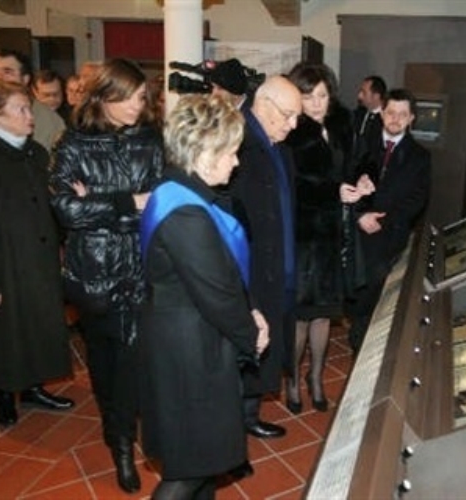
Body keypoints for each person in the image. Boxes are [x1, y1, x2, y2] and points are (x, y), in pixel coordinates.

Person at [139, 94, 269, 500]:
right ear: (204, 153)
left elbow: (222, 278)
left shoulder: (181, 192)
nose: (236, 162)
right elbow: (216, 293)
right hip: (190, 350)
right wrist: (251, 333)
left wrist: (249, 310)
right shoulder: (185, 213)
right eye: (230, 152)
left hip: (193, 335)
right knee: (190, 467)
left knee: (204, 461)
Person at [49, 58, 164, 494]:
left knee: (135, 361)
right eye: (129, 97)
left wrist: (96, 201)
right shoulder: (73, 142)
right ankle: (116, 432)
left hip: (142, 269)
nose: (139, 105)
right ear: (105, 97)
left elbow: (159, 202)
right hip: (94, 274)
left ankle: (123, 442)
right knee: (105, 363)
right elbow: (66, 210)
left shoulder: (150, 139)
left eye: (141, 97)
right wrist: (126, 202)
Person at [0, 80, 74, 428]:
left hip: (36, 260)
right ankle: (4, 395)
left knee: (35, 328)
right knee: (5, 334)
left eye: (28, 108)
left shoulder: (35, 153)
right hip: (2, 263)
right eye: (21, 109)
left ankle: (33, 387)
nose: (29, 116)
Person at [284, 63, 360, 413]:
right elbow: (295, 186)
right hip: (304, 235)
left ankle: (315, 377)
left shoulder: (341, 127)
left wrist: (362, 180)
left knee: (325, 315)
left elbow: (355, 165)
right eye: (308, 96)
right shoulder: (291, 133)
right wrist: (333, 191)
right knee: (302, 315)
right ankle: (292, 381)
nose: (316, 103)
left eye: (322, 95)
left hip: (332, 234)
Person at [230, 76, 301, 443]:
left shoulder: (280, 148)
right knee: (248, 344)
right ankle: (234, 423)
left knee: (268, 343)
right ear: (264, 104)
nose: (293, 125)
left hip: (278, 266)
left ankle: (249, 414)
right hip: (251, 268)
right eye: (288, 115)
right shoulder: (238, 143)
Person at [345, 88, 431, 355]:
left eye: (402, 114)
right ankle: (357, 336)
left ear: (411, 118)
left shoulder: (420, 156)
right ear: (382, 113)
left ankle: (363, 348)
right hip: (356, 232)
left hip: (389, 238)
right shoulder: (360, 143)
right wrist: (360, 215)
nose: (395, 119)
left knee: (376, 296)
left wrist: (383, 220)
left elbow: (417, 200)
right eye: (391, 112)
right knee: (353, 293)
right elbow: (345, 180)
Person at [353, 75, 386, 154]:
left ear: (376, 96)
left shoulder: (386, 120)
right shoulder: (357, 114)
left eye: (364, 92)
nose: (359, 96)